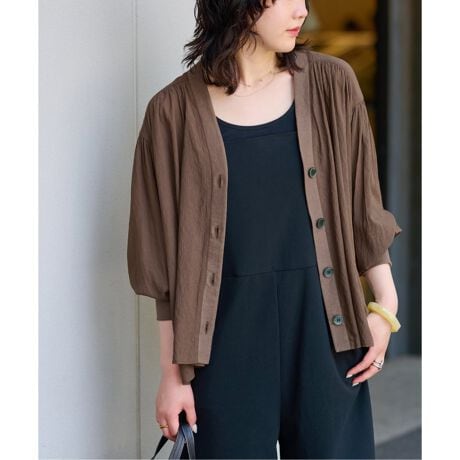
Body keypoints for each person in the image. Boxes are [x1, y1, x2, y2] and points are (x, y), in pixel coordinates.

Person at [127, 0, 403, 458]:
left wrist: (385, 309)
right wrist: (172, 376)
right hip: (225, 346)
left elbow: (364, 208)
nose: (302, 10)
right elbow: (163, 263)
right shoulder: (171, 113)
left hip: (325, 333)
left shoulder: (333, 84)